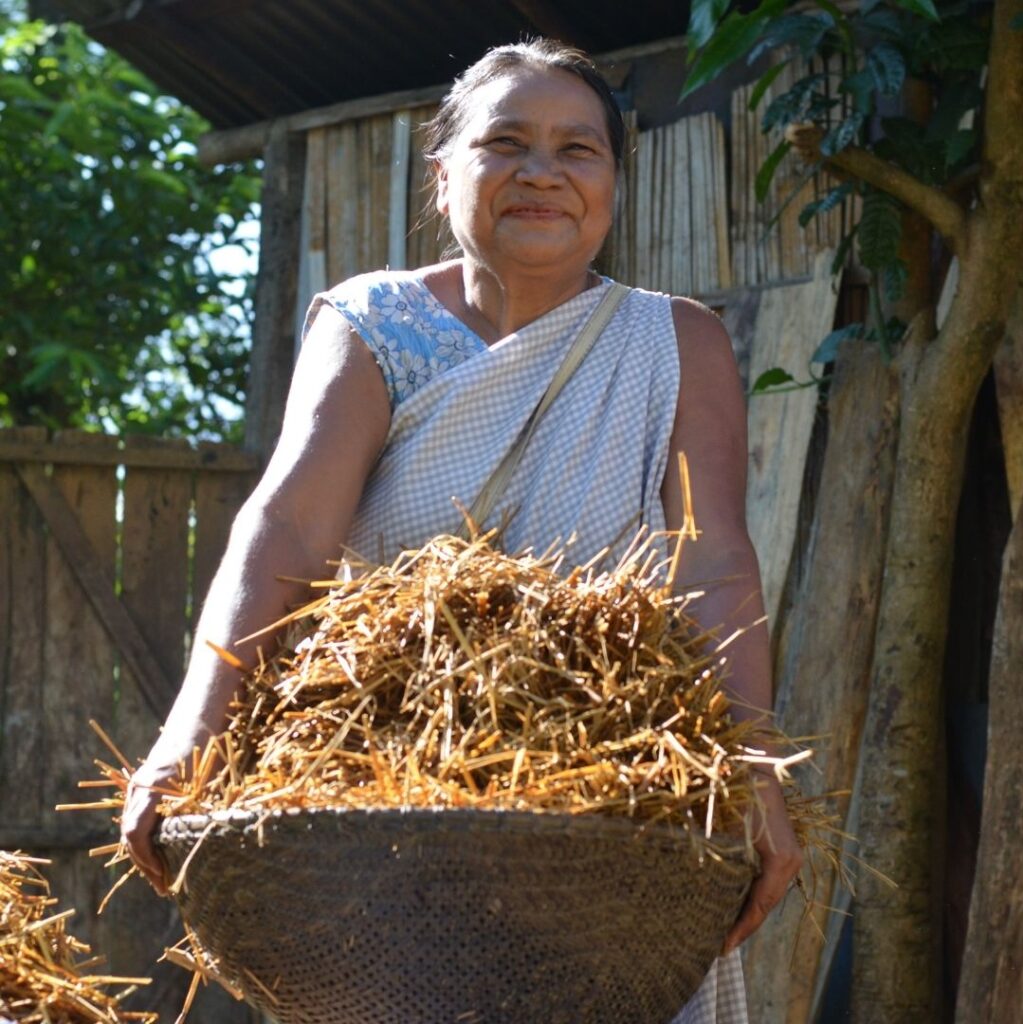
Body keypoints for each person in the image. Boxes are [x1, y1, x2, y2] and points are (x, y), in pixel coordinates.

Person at [122, 39, 801, 1023]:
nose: (541, 171)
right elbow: (287, 528)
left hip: (604, 805)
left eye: (578, 149)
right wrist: (191, 734)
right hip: (389, 800)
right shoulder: (373, 326)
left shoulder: (674, 340)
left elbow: (712, 561)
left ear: (611, 182)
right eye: (505, 142)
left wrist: (750, 772)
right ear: (444, 174)